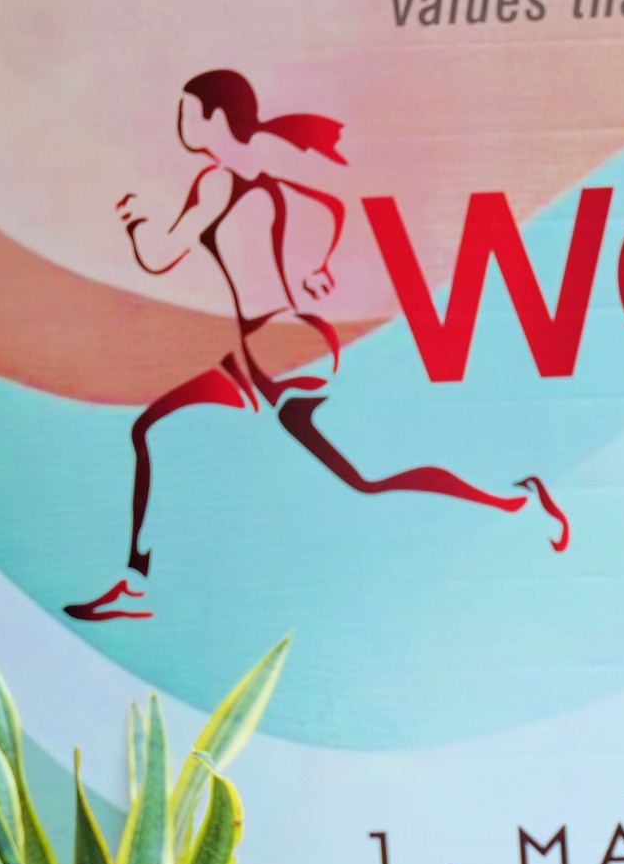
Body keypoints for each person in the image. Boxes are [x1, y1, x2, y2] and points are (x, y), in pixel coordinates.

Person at [64, 69, 569, 623]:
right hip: (264, 350)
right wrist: (316, 270)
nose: (181, 123)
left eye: (188, 112)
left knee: (365, 479)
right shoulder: (257, 178)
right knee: (154, 431)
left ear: (215, 117)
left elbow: (159, 255)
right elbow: (330, 208)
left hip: (277, 352)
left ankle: (516, 500)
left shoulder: (217, 182)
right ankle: (137, 584)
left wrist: (137, 223)